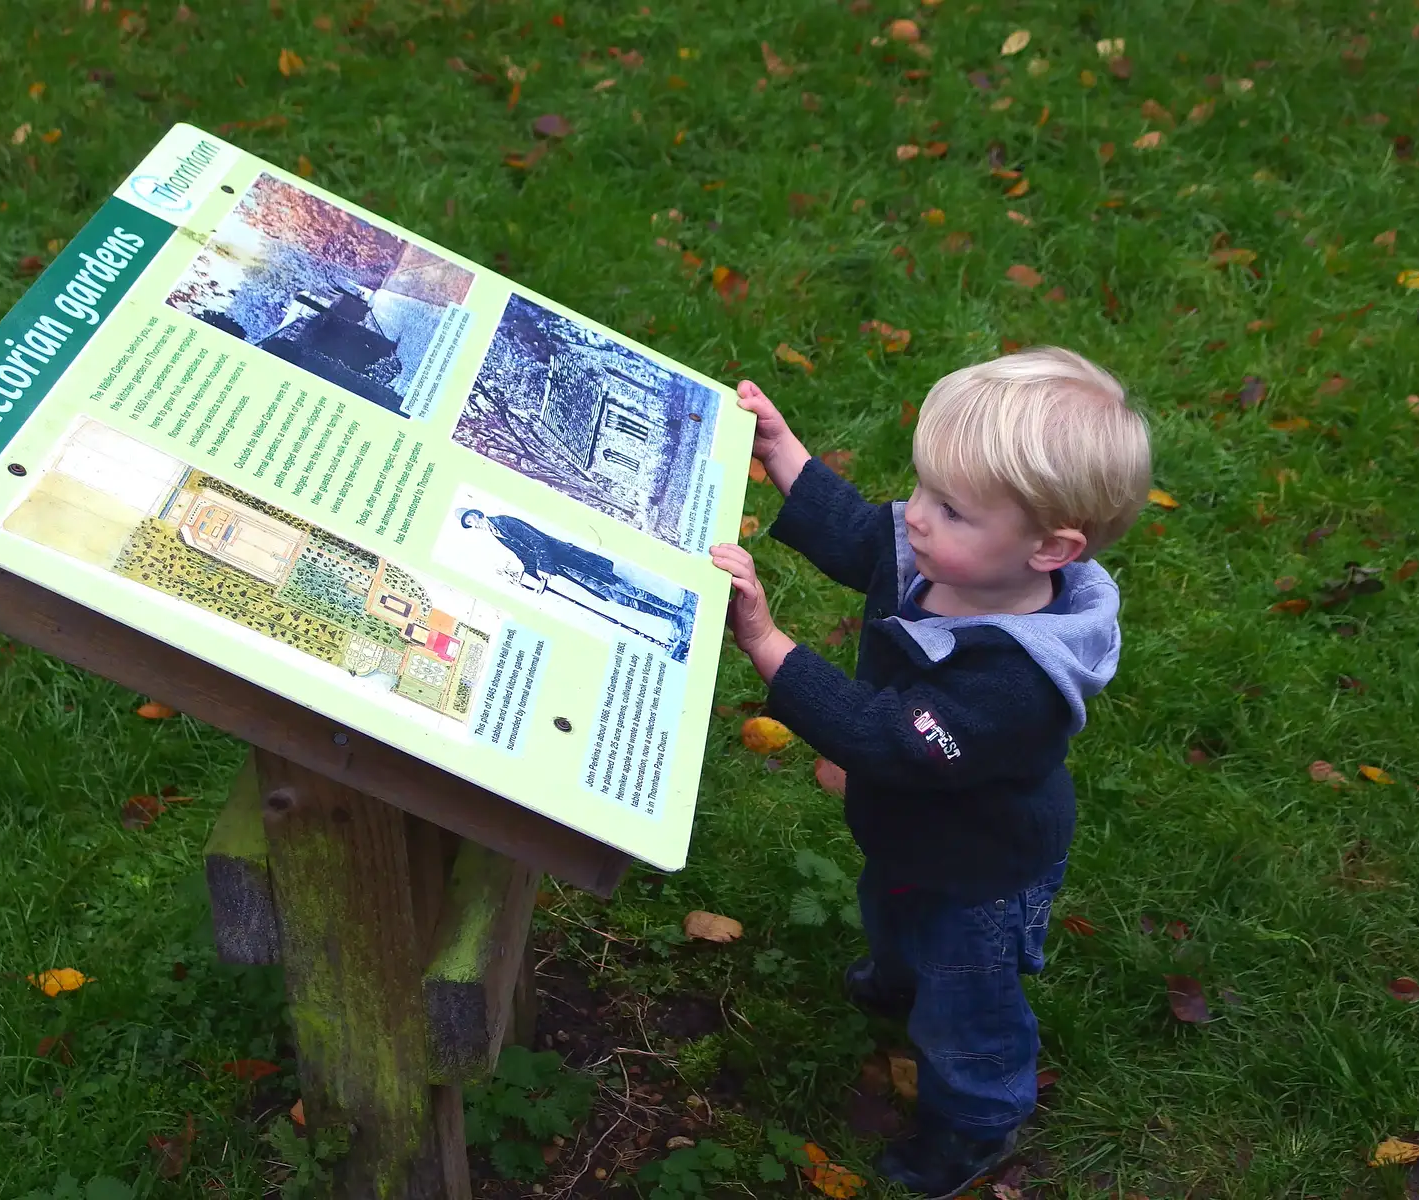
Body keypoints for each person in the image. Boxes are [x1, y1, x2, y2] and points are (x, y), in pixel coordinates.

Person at [709, 348, 1151, 1199]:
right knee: (891, 904)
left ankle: (977, 1118)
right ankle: (895, 976)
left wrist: (768, 644)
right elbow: (861, 534)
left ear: (1050, 550)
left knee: (967, 1000)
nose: (914, 516)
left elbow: (887, 739)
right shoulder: (951, 559)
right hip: (913, 836)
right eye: (921, 487)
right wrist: (782, 450)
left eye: (948, 508)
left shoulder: (1012, 682)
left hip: (980, 869)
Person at [458, 509, 695, 658]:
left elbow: (538, 541)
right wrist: (536, 579)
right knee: (619, 599)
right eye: (469, 524)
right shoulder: (496, 534)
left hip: (572, 559)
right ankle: (672, 618)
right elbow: (525, 557)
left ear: (478, 514)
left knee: (625, 589)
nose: (473, 524)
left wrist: (545, 567)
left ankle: (679, 612)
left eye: (471, 519)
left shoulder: (504, 522)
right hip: (567, 571)